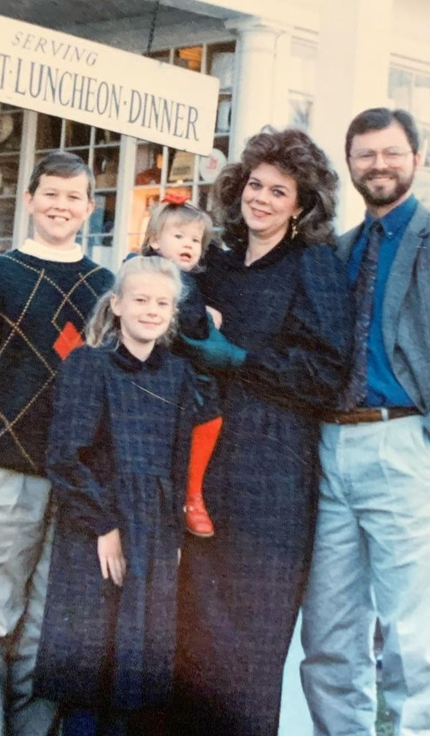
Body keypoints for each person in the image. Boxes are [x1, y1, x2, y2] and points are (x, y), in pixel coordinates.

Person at [300, 107, 430, 736]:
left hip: (407, 444)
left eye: (391, 153)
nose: (379, 165)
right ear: (351, 164)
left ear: (416, 159)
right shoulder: (337, 252)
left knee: (412, 639)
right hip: (333, 448)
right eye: (366, 155)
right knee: (329, 639)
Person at [174, 127, 352, 736]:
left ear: (301, 206)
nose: (263, 199)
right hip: (202, 460)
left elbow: (326, 371)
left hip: (271, 468)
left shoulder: (314, 266)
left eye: (280, 191)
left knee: (248, 635)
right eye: (256, 184)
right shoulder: (215, 262)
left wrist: (241, 360)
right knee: (190, 626)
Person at [0, 150, 114, 736]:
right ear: (30, 200)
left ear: (89, 208)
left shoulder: (106, 288)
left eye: (73, 197)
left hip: (75, 481)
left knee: (46, 625)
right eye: (50, 193)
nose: (61, 205)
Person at [32, 256, 219, 736]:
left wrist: (173, 535)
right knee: (90, 659)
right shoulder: (89, 365)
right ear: (117, 305)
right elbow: (65, 457)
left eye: (162, 303)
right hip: (99, 525)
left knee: (135, 664)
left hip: (154, 529)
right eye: (140, 299)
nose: (151, 310)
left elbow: (179, 463)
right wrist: (104, 527)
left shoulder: (177, 374)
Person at [141, 195, 223, 537]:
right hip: (163, 371)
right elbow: (191, 326)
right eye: (180, 237)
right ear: (155, 241)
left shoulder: (186, 279)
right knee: (210, 413)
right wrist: (207, 320)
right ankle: (191, 495)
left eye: (195, 240)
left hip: (163, 370)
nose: (189, 245)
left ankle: (186, 496)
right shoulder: (169, 278)